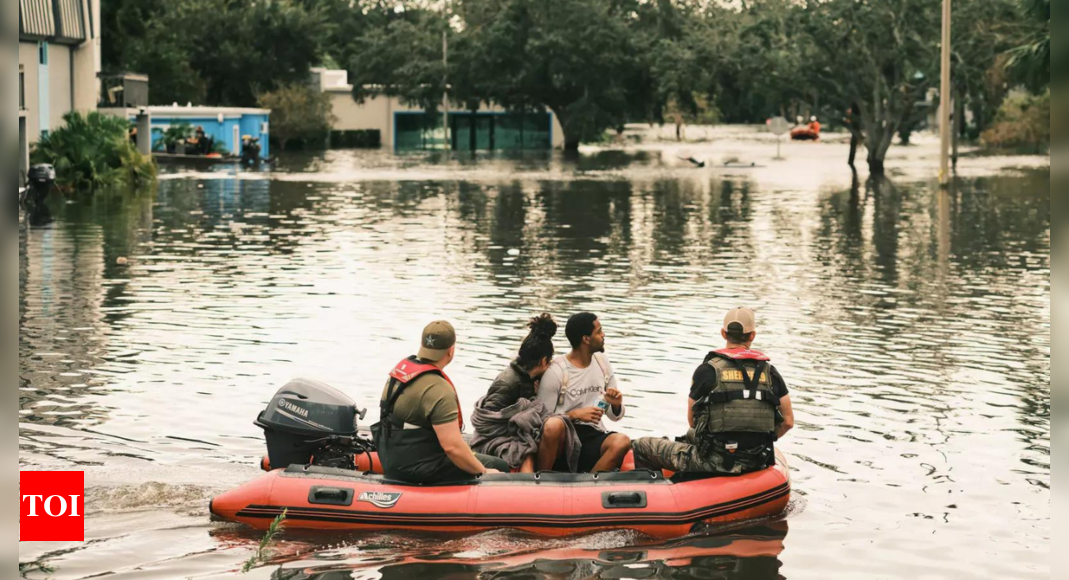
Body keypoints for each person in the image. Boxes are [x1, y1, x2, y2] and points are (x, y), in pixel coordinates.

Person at [633, 308, 795, 476]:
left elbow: (693, 421)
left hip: (716, 462)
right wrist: (756, 443)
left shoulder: (708, 370)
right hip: (757, 458)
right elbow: (788, 422)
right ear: (752, 335)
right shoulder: (771, 372)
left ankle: (660, 494)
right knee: (689, 436)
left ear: (723, 333)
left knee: (642, 446)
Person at [374, 321, 509, 484]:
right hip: (416, 468)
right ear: (451, 351)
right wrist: (484, 471)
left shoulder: (400, 374)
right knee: (500, 465)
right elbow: (452, 448)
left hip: (393, 458)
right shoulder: (438, 389)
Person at [470, 314, 580, 473]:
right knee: (525, 455)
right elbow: (486, 423)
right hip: (493, 438)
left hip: (517, 434)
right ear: (543, 361)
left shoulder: (531, 378)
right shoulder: (507, 382)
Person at [536, 313, 631, 473]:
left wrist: (615, 404)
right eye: (599, 331)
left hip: (592, 434)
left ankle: (589, 485)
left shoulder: (602, 363)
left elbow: (613, 416)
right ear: (586, 339)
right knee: (553, 425)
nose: (603, 335)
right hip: (563, 438)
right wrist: (575, 415)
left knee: (622, 441)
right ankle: (542, 480)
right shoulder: (557, 371)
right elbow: (540, 421)